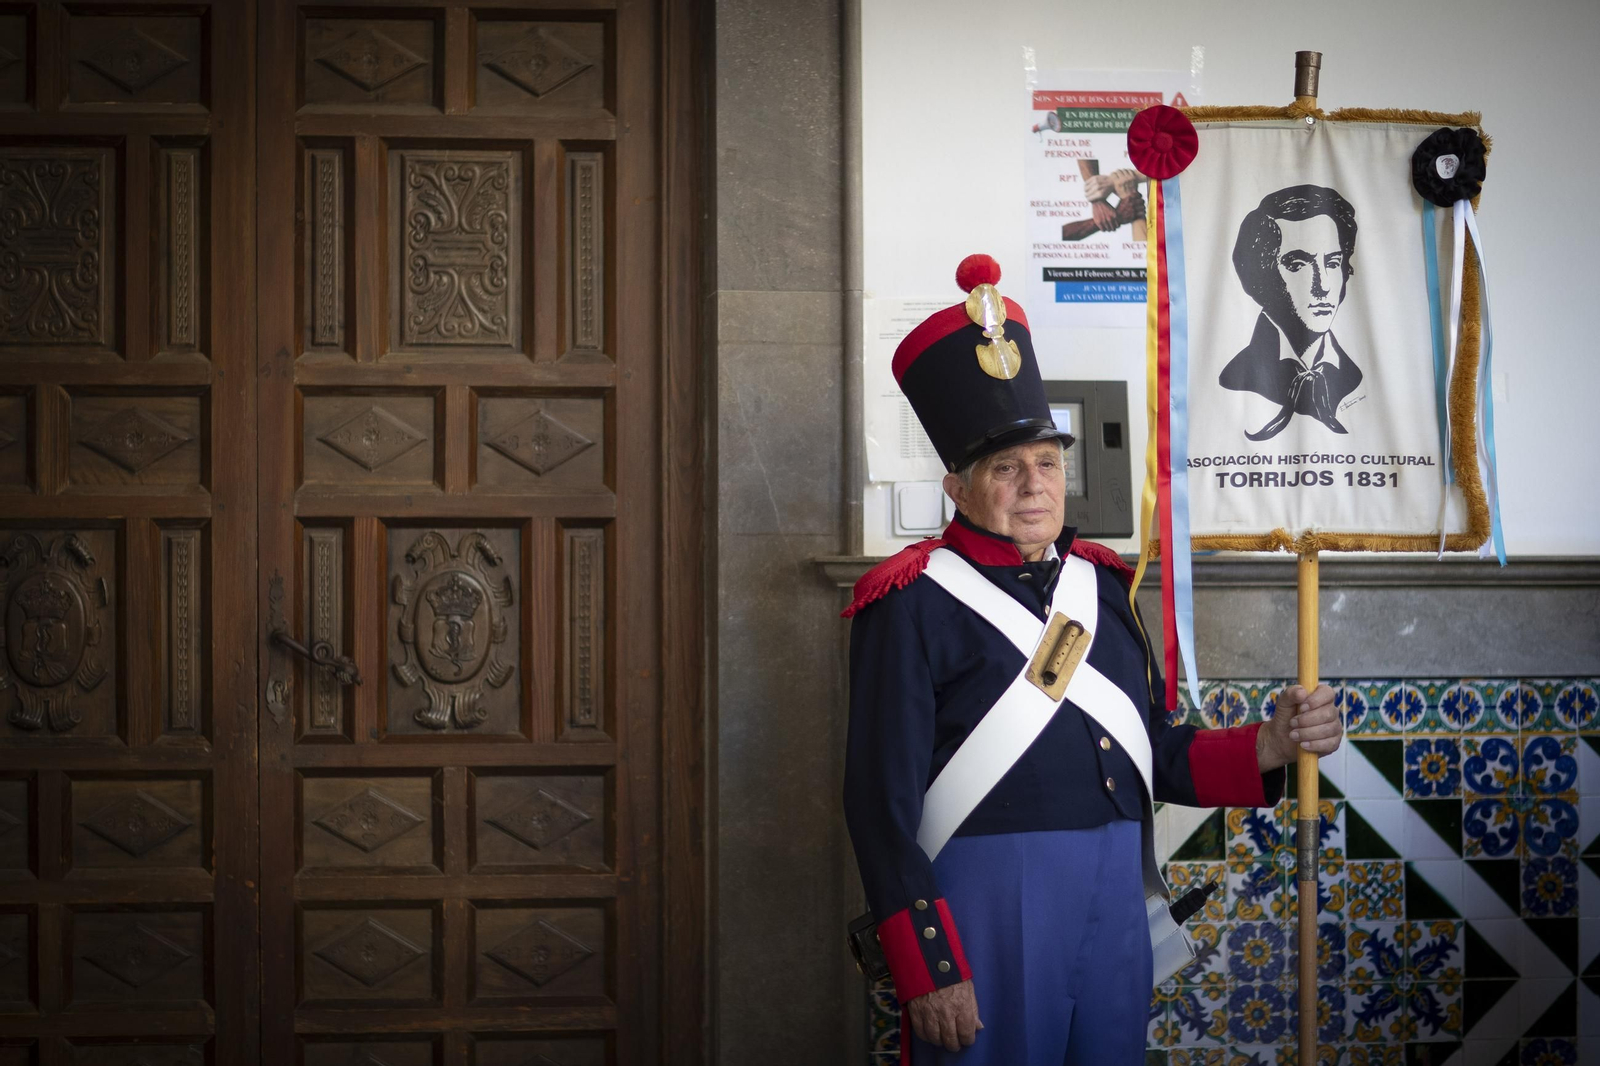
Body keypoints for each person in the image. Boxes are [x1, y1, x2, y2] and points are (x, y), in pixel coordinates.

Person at [842, 254, 1344, 1065]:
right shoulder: (908, 600)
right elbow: (877, 801)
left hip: (1115, 901)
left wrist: (1270, 744)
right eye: (1005, 468)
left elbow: (1156, 748)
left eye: (1047, 462)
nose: (1033, 485)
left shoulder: (1103, 585)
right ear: (957, 488)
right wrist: (927, 965)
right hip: (987, 904)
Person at [1219, 184, 1363, 442]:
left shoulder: (1358, 377)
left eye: (1332, 263)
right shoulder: (1234, 379)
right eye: (1298, 265)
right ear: (1262, 275)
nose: (1323, 286)